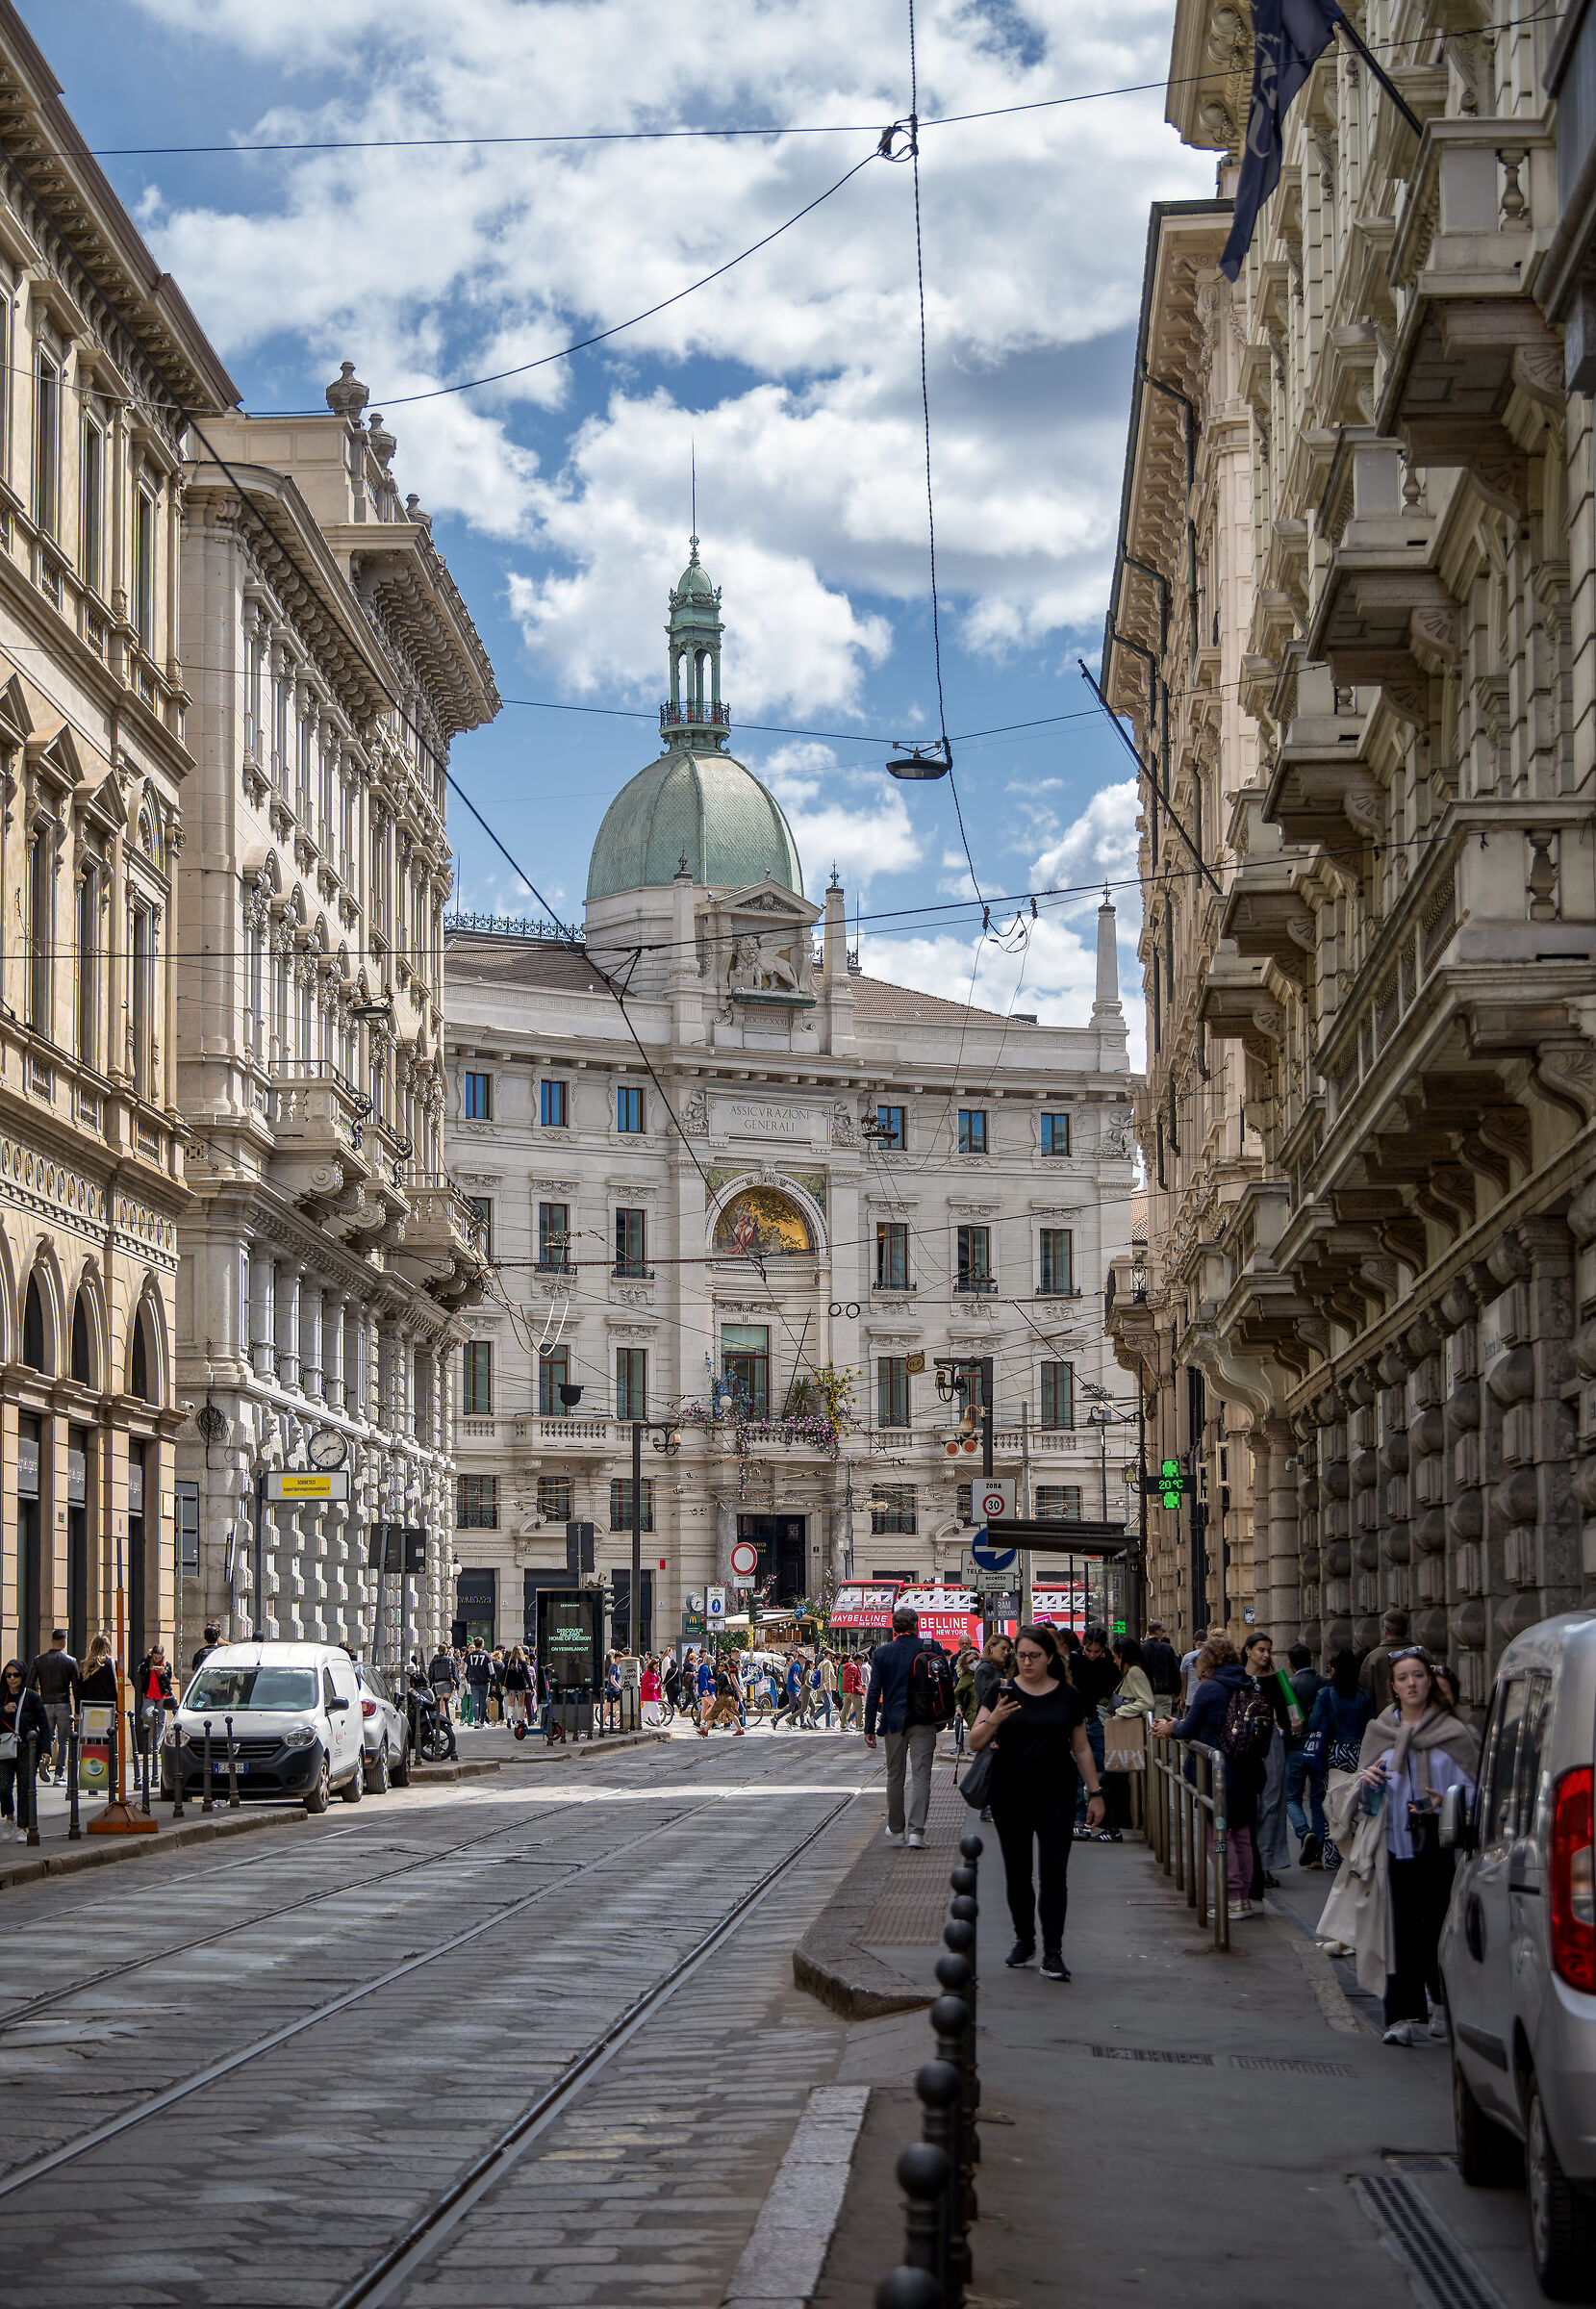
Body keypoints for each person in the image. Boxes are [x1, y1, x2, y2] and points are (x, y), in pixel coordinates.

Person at [1320, 1649, 1480, 2045]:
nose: (1412, 1683)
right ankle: (1401, 2018)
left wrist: (1448, 1802)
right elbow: (1355, 1786)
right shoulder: (1380, 1731)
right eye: (1404, 1677)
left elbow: (1480, 1793)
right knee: (1395, 1932)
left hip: (1441, 1847)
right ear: (1392, 1686)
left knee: (1438, 1930)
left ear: (1429, 1682)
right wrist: (1367, 1780)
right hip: (1390, 1846)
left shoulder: (1455, 1733)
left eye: (1419, 1676)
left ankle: (1442, 2001)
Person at [967, 1622, 1106, 1980]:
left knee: (1054, 1874)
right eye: (1021, 1655)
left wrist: (1095, 1792)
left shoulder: (1067, 1696)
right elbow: (975, 1741)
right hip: (1009, 1794)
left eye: (1034, 1656)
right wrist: (995, 1718)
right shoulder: (1001, 1692)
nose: (1026, 1662)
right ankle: (1024, 1940)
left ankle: (1054, 1952)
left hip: (1057, 1794)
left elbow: (1081, 1747)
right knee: (1018, 1873)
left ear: (1049, 1657)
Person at [1153, 1635, 1269, 1922]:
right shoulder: (1247, 1682)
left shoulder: (1210, 1688)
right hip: (1247, 1769)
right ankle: (1244, 1897)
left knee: (1216, 1836)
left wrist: (1172, 1727)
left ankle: (1231, 1898)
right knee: (1241, 1834)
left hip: (1218, 1772)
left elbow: (1189, 1728)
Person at [864, 1606, 939, 1848]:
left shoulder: (883, 1653)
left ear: (894, 1628)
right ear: (916, 1625)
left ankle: (897, 1830)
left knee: (895, 1776)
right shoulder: (931, 1647)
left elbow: (874, 1691)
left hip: (894, 1721)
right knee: (921, 1776)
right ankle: (917, 1832)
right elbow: (944, 1684)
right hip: (925, 1720)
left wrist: (868, 1726)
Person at [1241, 1630, 1294, 1892]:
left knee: (1272, 1802)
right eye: (1261, 1649)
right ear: (1248, 1649)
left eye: (1269, 1650)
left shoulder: (1279, 1679)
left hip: (1272, 1743)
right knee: (1251, 1804)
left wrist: (1291, 1724)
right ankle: (1249, 1860)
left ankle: (1266, 1862)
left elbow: (1295, 1718)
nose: (1266, 1655)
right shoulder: (1237, 1678)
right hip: (1243, 1744)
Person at [1101, 1635, 1155, 1840]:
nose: (1114, 1661)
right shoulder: (1133, 1671)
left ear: (1123, 1655)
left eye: (1115, 1657)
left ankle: (1113, 1829)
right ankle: (1114, 1826)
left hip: (1126, 1732)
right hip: (1125, 1731)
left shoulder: (1134, 1672)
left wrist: (1123, 1711)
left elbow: (1147, 1702)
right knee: (1115, 1781)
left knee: (1112, 1780)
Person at [1068, 1628, 1118, 1837]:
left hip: (1097, 1718)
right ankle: (1079, 1817)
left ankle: (1095, 1817)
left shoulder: (1108, 1663)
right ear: (1083, 1645)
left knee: (1098, 1770)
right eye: (1089, 1650)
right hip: (1077, 1719)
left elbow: (1114, 1688)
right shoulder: (1074, 1660)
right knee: (1078, 1772)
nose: (1092, 1655)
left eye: (1097, 1651)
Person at [1285, 1642, 1329, 1866]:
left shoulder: (1287, 1685)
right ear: (1312, 1660)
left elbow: (1289, 1721)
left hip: (1294, 1748)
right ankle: (1318, 1853)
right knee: (1318, 1799)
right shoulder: (1325, 1683)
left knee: (1291, 1797)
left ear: (1291, 1664)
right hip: (1319, 1748)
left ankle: (1304, 1833)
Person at [0, 1661, 50, 1841]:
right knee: (3, 1786)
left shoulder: (31, 1697)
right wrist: (3, 1711)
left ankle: (23, 1827)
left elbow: (44, 1725)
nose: (12, 1679)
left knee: (25, 1787)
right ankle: (9, 1817)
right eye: (8, 1675)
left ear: (22, 1676)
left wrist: (46, 1750)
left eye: (16, 1675)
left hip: (26, 1748)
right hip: (4, 1747)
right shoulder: (2, 1696)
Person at [29, 1629, 80, 1785]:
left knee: (47, 1737)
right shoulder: (71, 1661)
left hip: (45, 1704)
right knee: (64, 1741)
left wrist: (34, 1704)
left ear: (51, 1639)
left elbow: (30, 1682)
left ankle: (44, 1761)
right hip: (63, 1704)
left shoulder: (39, 1660)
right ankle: (59, 1775)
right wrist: (77, 1711)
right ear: (65, 1641)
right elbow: (77, 1688)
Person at [1358, 1609, 1412, 1715]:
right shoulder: (1422, 1653)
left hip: (1384, 1722)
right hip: (1420, 1723)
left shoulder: (1373, 1658)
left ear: (1385, 1630)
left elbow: (1365, 1698)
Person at [133, 1643, 175, 1765]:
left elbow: (168, 1683)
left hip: (162, 1696)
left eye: (159, 1657)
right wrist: (147, 1659)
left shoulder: (166, 1665)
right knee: (147, 1715)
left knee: (161, 1721)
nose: (157, 1660)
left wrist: (162, 1674)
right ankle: (152, 1739)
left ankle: (155, 1748)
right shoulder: (147, 1662)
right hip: (150, 1695)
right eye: (155, 1657)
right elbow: (139, 1670)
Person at [1141, 1622, 1181, 1709]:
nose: (1163, 1633)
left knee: (1148, 1720)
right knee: (1162, 1720)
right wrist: (1177, 1692)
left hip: (1145, 1693)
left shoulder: (1141, 1649)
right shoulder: (1167, 1648)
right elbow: (1175, 1671)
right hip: (1163, 1692)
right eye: (1162, 1630)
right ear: (1157, 1631)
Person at [502, 1646, 533, 1731]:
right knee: (521, 1703)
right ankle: (520, 1720)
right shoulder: (523, 1663)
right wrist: (531, 1686)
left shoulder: (507, 1662)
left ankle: (509, 1718)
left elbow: (504, 1674)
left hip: (511, 1685)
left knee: (511, 1703)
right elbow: (527, 1675)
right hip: (520, 1685)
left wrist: (503, 1684)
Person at [464, 1638, 493, 1726]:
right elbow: (491, 1671)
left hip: (473, 1681)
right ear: (482, 1645)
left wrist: (468, 1677)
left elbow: (465, 1670)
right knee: (483, 1702)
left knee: (475, 1701)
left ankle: (476, 1720)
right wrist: (493, 1682)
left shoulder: (469, 1656)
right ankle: (482, 1721)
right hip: (484, 1681)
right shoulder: (487, 1656)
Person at [1178, 1628, 1209, 1709]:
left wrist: (1182, 1698)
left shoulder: (1187, 1657)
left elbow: (1183, 1679)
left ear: (1194, 1642)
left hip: (1192, 1699)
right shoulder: (1211, 1656)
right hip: (1208, 1698)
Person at [838, 1653, 864, 1731]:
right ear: (858, 1660)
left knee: (846, 1708)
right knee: (859, 1707)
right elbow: (851, 1679)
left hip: (846, 1690)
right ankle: (860, 1725)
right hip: (853, 1690)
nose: (862, 1662)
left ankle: (843, 1725)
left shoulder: (847, 1667)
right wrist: (850, 1690)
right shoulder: (853, 1667)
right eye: (862, 1660)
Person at [815, 1651, 838, 1728]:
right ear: (828, 1655)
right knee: (828, 1706)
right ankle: (813, 1718)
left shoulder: (821, 1663)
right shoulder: (827, 1663)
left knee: (829, 1706)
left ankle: (828, 1724)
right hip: (825, 1687)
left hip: (821, 1687)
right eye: (832, 1655)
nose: (833, 1658)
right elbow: (827, 1676)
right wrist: (828, 1687)